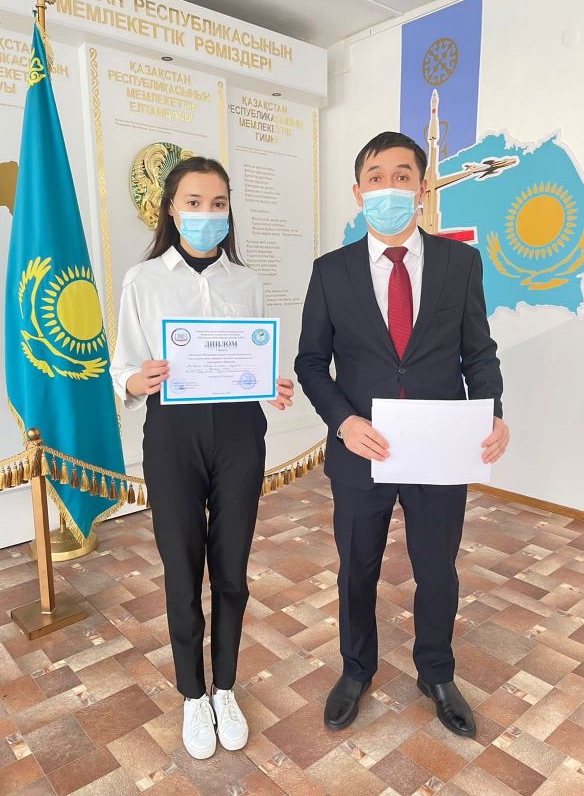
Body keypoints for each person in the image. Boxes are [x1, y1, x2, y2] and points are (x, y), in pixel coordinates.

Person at [295, 132, 509, 737]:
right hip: (361, 449)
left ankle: (436, 672)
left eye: (402, 175)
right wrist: (344, 421)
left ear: (421, 187)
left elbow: (478, 352)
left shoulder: (459, 263)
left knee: (437, 569)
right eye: (376, 177)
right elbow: (311, 363)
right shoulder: (330, 272)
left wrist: (492, 412)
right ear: (357, 191)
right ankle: (355, 670)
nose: (388, 187)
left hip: (439, 447)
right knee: (356, 569)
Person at [110, 156, 294, 760]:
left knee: (233, 568)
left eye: (218, 204)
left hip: (240, 432)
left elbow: (251, 358)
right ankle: (193, 694)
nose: (207, 214)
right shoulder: (142, 280)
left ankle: (226, 688)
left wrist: (270, 383)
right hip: (173, 434)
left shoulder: (246, 281)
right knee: (183, 568)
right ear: (171, 208)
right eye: (194, 203)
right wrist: (137, 379)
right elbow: (122, 364)